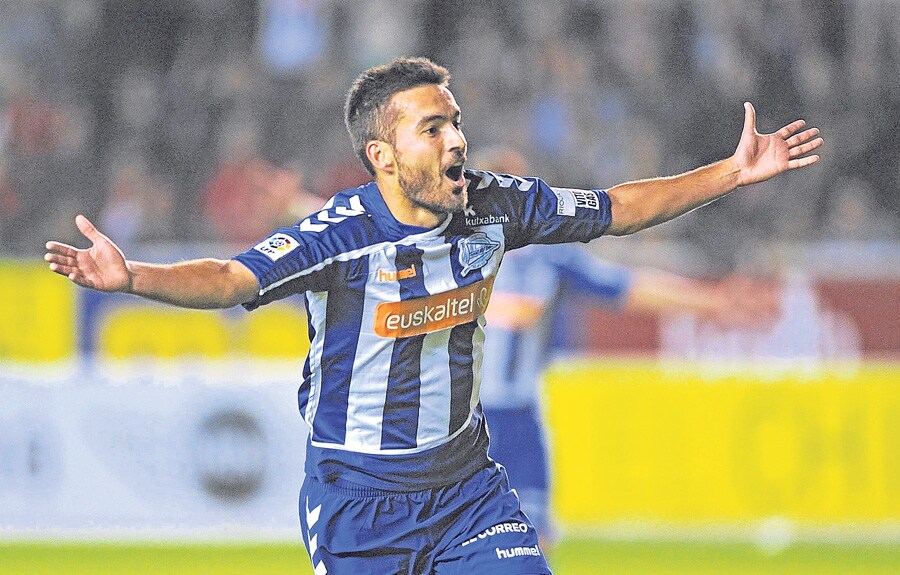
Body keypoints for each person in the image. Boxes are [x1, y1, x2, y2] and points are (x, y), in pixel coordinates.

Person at [45, 57, 822, 574]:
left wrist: (730, 171)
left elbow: (616, 208)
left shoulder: (494, 205)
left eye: (456, 121)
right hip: (358, 500)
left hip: (468, 488)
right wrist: (132, 276)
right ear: (383, 156)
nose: (458, 139)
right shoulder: (341, 238)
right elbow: (227, 276)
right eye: (433, 128)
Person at [474, 146, 781, 549]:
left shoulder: (551, 258)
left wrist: (714, 302)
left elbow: (630, 287)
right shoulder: (457, 252)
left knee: (535, 540)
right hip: (467, 423)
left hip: (521, 418)